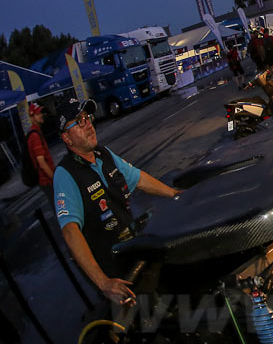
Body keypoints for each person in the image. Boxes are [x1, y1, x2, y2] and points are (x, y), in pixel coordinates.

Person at [52, 98, 180, 305]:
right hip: (113, 271)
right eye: (79, 121)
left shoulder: (103, 154)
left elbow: (138, 178)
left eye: (88, 117)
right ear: (67, 138)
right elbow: (70, 231)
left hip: (133, 249)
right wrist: (103, 283)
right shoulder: (65, 174)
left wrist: (174, 193)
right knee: (145, 322)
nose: (88, 124)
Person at [26, 103, 55, 197]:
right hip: (47, 180)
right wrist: (54, 179)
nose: (41, 115)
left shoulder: (36, 132)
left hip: (46, 180)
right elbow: (41, 163)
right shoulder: (34, 135)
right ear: (32, 116)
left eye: (41, 113)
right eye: (38, 114)